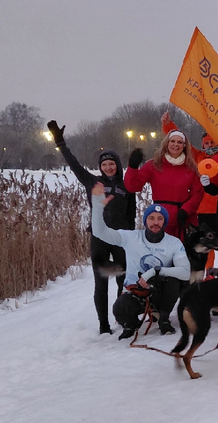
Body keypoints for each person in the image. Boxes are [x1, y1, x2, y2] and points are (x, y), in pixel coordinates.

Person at [48, 120, 135, 334]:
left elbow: (131, 214)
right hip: (99, 238)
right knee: (101, 283)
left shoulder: (127, 185)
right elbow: (74, 165)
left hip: (121, 238)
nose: (108, 167)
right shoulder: (93, 182)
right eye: (104, 164)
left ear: (117, 165)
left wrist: (131, 239)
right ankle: (104, 325)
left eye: (112, 163)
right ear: (100, 167)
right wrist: (60, 143)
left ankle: (123, 319)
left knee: (124, 282)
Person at [90, 183, 191, 339]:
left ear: (164, 222)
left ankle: (163, 319)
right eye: (151, 218)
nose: (155, 222)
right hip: (135, 291)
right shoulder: (131, 237)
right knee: (119, 308)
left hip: (160, 291)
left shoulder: (174, 243)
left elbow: (185, 273)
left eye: (160, 219)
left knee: (174, 280)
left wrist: (155, 271)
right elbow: (99, 232)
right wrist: (97, 206)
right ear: (145, 221)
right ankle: (131, 325)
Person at [125, 128, 203, 240]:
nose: (176, 145)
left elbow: (198, 193)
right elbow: (133, 187)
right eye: (172, 141)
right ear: (167, 143)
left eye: (180, 142)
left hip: (183, 219)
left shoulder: (191, 168)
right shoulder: (154, 165)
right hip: (161, 219)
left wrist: (186, 210)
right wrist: (132, 167)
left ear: (184, 146)